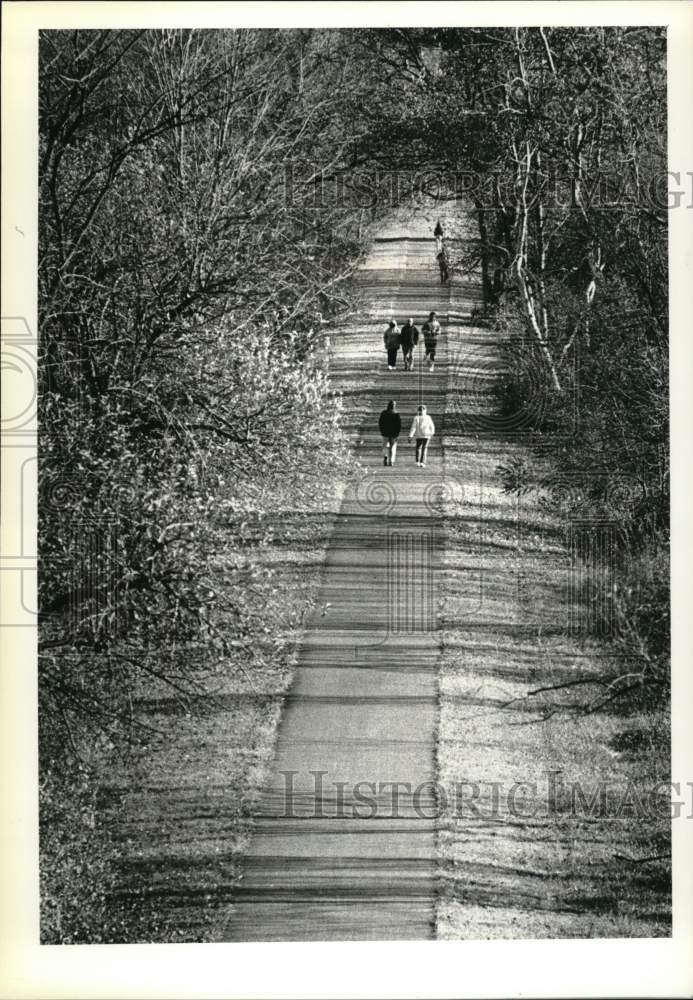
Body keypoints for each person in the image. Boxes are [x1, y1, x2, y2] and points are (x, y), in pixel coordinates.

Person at [378, 400, 402, 467]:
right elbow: (399, 425)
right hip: (394, 434)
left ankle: (385, 456)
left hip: (385, 432)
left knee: (385, 446)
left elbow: (380, 423)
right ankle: (391, 460)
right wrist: (398, 432)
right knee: (392, 447)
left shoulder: (384, 413)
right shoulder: (396, 414)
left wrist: (382, 430)